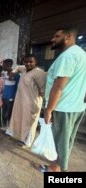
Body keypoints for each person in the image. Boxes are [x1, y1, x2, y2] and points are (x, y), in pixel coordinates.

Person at [36, 26, 86, 172]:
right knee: (67, 139)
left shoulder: (68, 56)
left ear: (69, 37)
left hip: (63, 106)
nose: (53, 39)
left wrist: (49, 110)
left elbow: (58, 86)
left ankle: (57, 170)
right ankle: (57, 165)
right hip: (76, 106)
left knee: (61, 141)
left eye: (57, 36)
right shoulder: (82, 54)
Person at [7, 54, 47, 148]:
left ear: (35, 62)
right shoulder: (24, 69)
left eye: (31, 62)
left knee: (30, 123)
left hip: (31, 103)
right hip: (21, 102)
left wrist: (43, 105)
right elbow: (17, 67)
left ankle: (27, 142)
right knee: (21, 120)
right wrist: (13, 71)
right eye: (26, 62)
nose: (28, 64)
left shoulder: (39, 73)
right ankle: (21, 138)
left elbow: (43, 91)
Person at [1, 59, 20, 128]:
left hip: (11, 97)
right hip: (4, 96)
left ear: (8, 65)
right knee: (3, 112)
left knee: (9, 112)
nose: (2, 66)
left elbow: (18, 87)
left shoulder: (16, 75)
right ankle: (3, 125)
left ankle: (9, 127)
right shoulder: (5, 73)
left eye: (4, 65)